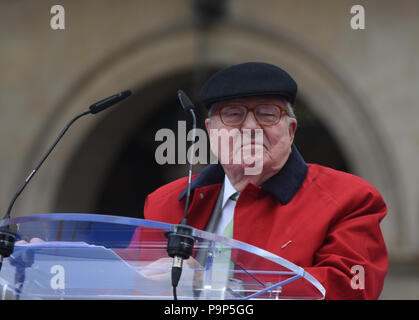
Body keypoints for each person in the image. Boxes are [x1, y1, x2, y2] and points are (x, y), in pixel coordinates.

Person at [131, 62, 388, 299]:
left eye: (267, 114)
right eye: (233, 115)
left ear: (290, 130)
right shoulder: (165, 203)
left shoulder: (349, 198)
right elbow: (127, 284)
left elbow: (351, 289)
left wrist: (215, 285)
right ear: (211, 131)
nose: (251, 127)